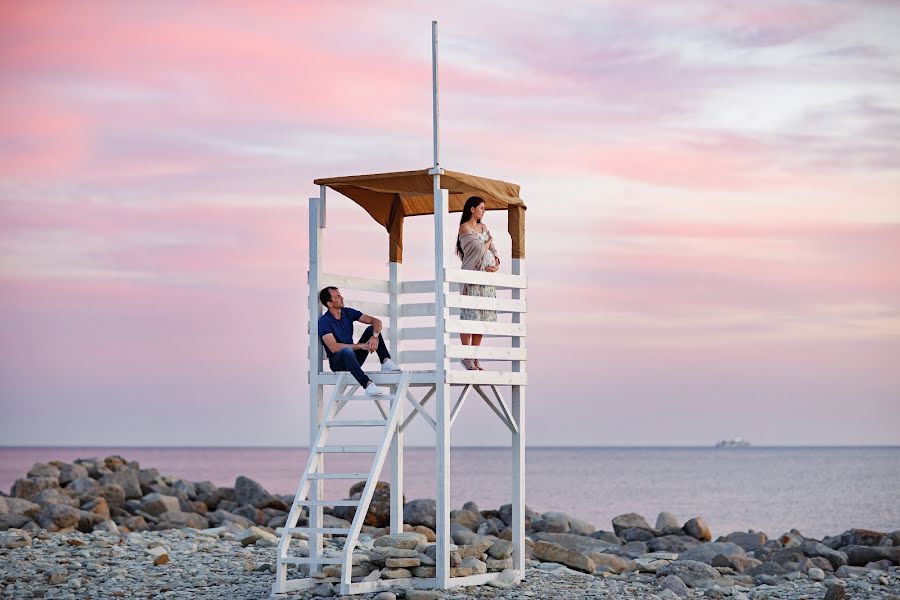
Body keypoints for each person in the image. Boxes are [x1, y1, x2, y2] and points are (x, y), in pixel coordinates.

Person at [318, 286, 400, 396]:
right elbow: (333, 347)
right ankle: (367, 384)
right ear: (330, 303)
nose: (342, 297)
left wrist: (374, 336)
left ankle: (385, 361)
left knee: (372, 329)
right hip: (338, 362)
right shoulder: (324, 321)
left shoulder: (347, 312)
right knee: (347, 351)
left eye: (340, 294)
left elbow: (376, 321)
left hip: (354, 359)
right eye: (337, 296)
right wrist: (360, 346)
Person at [456, 196, 500, 370]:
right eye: (481, 207)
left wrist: (496, 264)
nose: (483, 211)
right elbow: (477, 249)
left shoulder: (484, 227)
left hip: (486, 281)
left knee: (481, 317)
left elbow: (493, 250)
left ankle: (475, 357)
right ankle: (467, 357)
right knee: (470, 316)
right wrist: (488, 240)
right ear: (472, 209)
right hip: (472, 277)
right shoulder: (464, 228)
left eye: (484, 208)